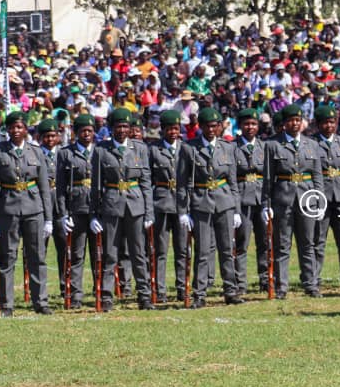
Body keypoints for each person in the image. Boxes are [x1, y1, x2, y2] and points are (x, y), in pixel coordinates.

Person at [0, 111, 53, 317]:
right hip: (8, 209)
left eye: (20, 127)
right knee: (7, 257)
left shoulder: (36, 152)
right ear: (7, 130)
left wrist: (48, 218)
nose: (15, 131)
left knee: (37, 256)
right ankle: (7, 304)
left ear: (26, 129)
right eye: (12, 127)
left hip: (34, 209)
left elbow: (43, 187)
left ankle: (40, 301)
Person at [177, 107, 243, 308]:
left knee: (226, 249)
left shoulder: (228, 147)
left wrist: (237, 210)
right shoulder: (189, 148)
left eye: (215, 126)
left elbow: (232, 182)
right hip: (201, 202)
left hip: (224, 201)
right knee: (203, 251)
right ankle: (199, 294)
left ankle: (231, 291)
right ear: (201, 127)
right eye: (207, 126)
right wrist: (183, 211)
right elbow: (182, 182)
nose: (211, 129)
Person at [88, 108, 154, 310]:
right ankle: (107, 296)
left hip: (135, 205)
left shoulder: (140, 148)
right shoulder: (101, 150)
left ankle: (144, 295)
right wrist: (94, 214)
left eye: (126, 126)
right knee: (110, 253)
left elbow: (145, 181)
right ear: (111, 128)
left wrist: (149, 212)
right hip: (111, 205)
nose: (123, 130)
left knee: (138, 253)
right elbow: (96, 186)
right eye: (119, 126)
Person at [261, 103, 324, 299]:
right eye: (291, 121)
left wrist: (320, 201)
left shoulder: (311, 144)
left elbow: (317, 175)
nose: (295, 124)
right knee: (282, 245)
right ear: (284, 124)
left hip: (307, 197)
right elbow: (268, 178)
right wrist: (266, 205)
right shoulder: (273, 145)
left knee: (308, 243)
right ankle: (281, 286)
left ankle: (310, 284)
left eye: (298, 120)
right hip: (283, 199)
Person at [55, 114, 96, 309]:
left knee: (99, 254)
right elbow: (61, 188)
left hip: (97, 210)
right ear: (76, 133)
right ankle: (75, 294)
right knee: (76, 255)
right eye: (83, 131)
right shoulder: (65, 154)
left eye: (90, 131)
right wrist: (63, 214)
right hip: (76, 209)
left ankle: (100, 292)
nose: (86, 134)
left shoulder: (100, 151)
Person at [311, 105, 340, 290]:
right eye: (326, 122)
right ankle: (314, 279)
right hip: (321, 198)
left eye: (332, 122)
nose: (329, 126)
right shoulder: (311, 144)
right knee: (318, 241)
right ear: (318, 124)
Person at [148, 109, 184, 303]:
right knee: (160, 250)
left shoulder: (185, 149)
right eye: (169, 129)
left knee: (182, 249)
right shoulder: (153, 150)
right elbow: (148, 179)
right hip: (160, 202)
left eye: (176, 129)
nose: (173, 132)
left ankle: (181, 287)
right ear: (162, 130)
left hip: (181, 204)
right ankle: (159, 289)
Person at [233, 108, 268, 292]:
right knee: (242, 243)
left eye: (254, 124)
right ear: (240, 126)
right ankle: (240, 283)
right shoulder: (232, 147)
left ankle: (265, 279)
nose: (250, 127)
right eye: (247, 124)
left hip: (261, 198)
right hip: (242, 199)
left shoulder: (265, 147)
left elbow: (269, 177)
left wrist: (268, 203)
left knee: (265, 242)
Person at [36, 119, 62, 295]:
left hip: (60, 206)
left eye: (53, 135)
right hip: (40, 206)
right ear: (40, 137)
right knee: (39, 250)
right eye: (47, 136)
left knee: (64, 249)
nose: (50, 139)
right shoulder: (36, 154)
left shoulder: (63, 154)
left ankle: (64, 286)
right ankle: (38, 289)